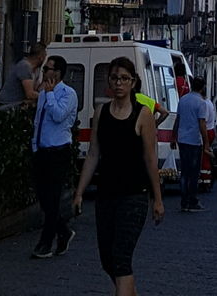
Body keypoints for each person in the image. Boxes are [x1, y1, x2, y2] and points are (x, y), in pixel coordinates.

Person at [73, 55, 163, 294]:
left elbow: (150, 158)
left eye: (125, 78)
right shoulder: (101, 112)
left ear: (133, 82)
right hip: (106, 196)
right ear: (109, 82)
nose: (119, 83)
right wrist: (80, 192)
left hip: (134, 196)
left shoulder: (143, 114)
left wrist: (158, 198)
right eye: (115, 78)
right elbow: (93, 154)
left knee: (121, 260)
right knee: (108, 260)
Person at [30, 54, 78, 260]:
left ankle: (46, 242)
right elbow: (38, 121)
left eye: (47, 69)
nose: (44, 72)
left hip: (58, 151)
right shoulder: (43, 94)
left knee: (53, 197)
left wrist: (49, 95)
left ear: (57, 73)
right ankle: (64, 231)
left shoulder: (68, 94)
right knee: (44, 197)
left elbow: (58, 116)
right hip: (42, 150)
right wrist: (34, 145)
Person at [171, 77, 209, 213]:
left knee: (184, 172)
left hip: (182, 139)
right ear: (202, 87)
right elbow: (202, 123)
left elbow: (178, 119)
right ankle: (192, 200)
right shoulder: (201, 102)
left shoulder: (183, 99)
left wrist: (173, 136)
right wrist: (206, 143)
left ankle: (184, 201)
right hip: (194, 140)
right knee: (194, 173)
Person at [0, 43, 46, 108]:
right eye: (45, 55)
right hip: (7, 105)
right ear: (41, 57)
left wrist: (45, 80)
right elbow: (30, 94)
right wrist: (46, 97)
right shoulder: (25, 66)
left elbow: (36, 90)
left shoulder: (36, 69)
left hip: (17, 105)